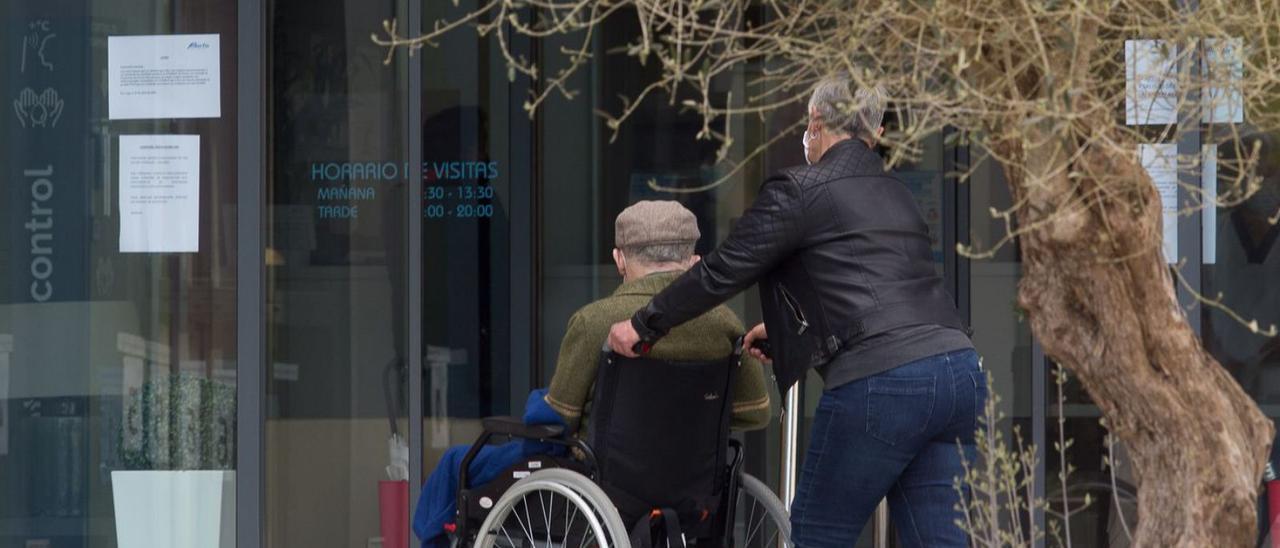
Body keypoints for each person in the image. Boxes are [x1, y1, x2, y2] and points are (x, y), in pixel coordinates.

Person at [608, 75, 984, 547]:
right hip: (959, 374)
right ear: (877, 133)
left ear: (816, 122)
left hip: (883, 382)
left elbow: (722, 271)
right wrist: (786, 332)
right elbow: (879, 289)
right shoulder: (898, 195)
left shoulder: (802, 189)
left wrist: (645, 324)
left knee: (817, 535)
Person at [546, 200, 770, 435]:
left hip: (603, 468)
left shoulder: (591, 322)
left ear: (619, 260)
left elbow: (560, 418)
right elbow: (755, 412)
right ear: (695, 261)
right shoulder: (725, 323)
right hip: (696, 467)